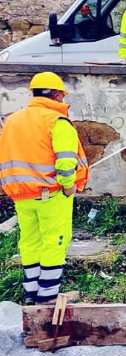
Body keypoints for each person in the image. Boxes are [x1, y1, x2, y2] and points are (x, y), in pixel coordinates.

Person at [0, 72, 88, 305]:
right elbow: (66, 161)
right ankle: (47, 298)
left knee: (30, 242)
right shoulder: (57, 122)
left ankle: (31, 294)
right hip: (51, 194)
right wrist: (68, 186)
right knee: (55, 241)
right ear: (58, 94)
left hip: (21, 195)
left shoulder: (13, 121)